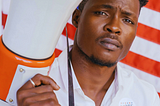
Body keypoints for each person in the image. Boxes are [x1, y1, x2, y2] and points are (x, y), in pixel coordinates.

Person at [17, 0, 160, 106]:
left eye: (127, 20)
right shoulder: (29, 86)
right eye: (102, 13)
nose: (114, 27)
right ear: (77, 18)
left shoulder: (146, 97)